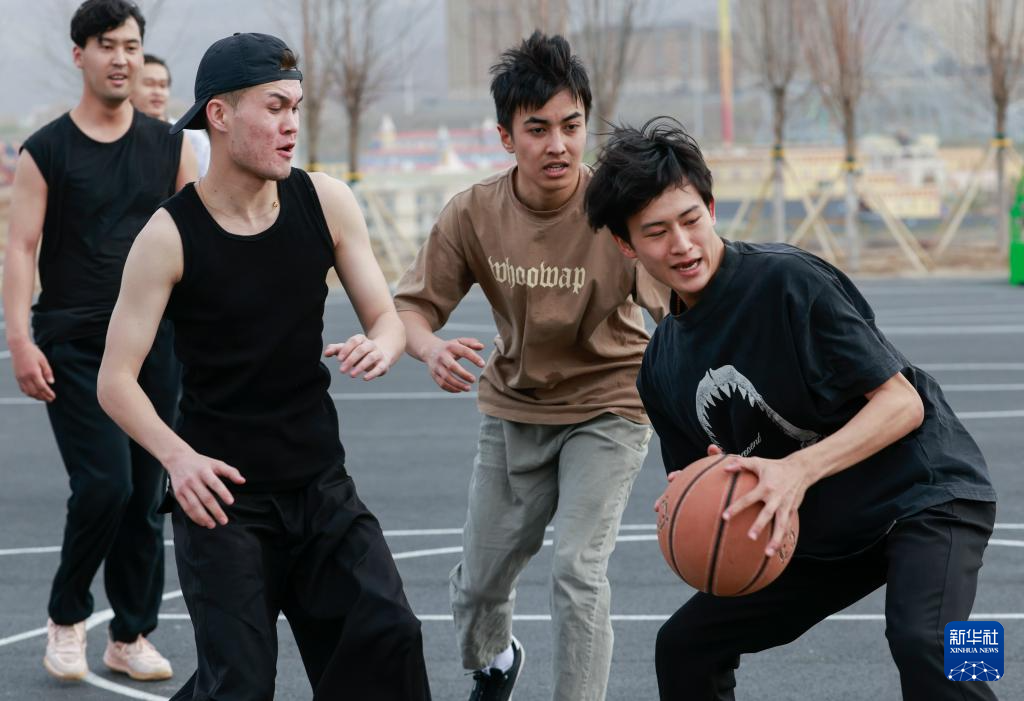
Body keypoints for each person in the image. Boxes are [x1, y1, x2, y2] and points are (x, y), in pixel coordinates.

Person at [584, 117, 999, 701]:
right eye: (656, 232)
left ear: (711, 208)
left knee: (931, 640)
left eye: (690, 220)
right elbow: (705, 481)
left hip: (928, 493)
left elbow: (902, 404)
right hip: (826, 527)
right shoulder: (661, 368)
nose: (680, 244)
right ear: (626, 244)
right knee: (684, 646)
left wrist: (796, 471)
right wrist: (691, 501)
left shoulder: (786, 281)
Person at [96, 32, 432, 700]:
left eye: (296, 108)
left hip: (320, 486)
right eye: (274, 107)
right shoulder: (169, 235)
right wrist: (178, 459)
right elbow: (115, 379)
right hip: (224, 501)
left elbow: (388, 317)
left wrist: (384, 343)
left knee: (390, 638)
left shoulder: (325, 201)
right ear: (219, 115)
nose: (290, 125)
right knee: (241, 686)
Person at [394, 31, 668, 701]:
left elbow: (678, 311)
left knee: (578, 570)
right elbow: (412, 309)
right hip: (515, 408)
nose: (559, 145)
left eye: (571, 126)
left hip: (608, 406)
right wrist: (430, 349)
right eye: (538, 129)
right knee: (480, 583)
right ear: (505, 137)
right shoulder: (474, 213)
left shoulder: (617, 210)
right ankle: (495, 662)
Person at [2, 0, 196, 683]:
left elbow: (197, 243)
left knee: (145, 494)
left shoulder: (170, 145)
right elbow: (21, 247)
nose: (121, 58)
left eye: (131, 45)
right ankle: (66, 617)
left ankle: (130, 634)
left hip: (155, 344)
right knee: (104, 486)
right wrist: (20, 339)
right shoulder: (46, 150)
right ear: (79, 54)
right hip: (74, 343)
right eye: (107, 45)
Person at [131, 53, 211, 177]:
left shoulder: (191, 137)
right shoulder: (118, 133)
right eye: (149, 84)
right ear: (129, 89)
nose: (158, 92)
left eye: (163, 85)